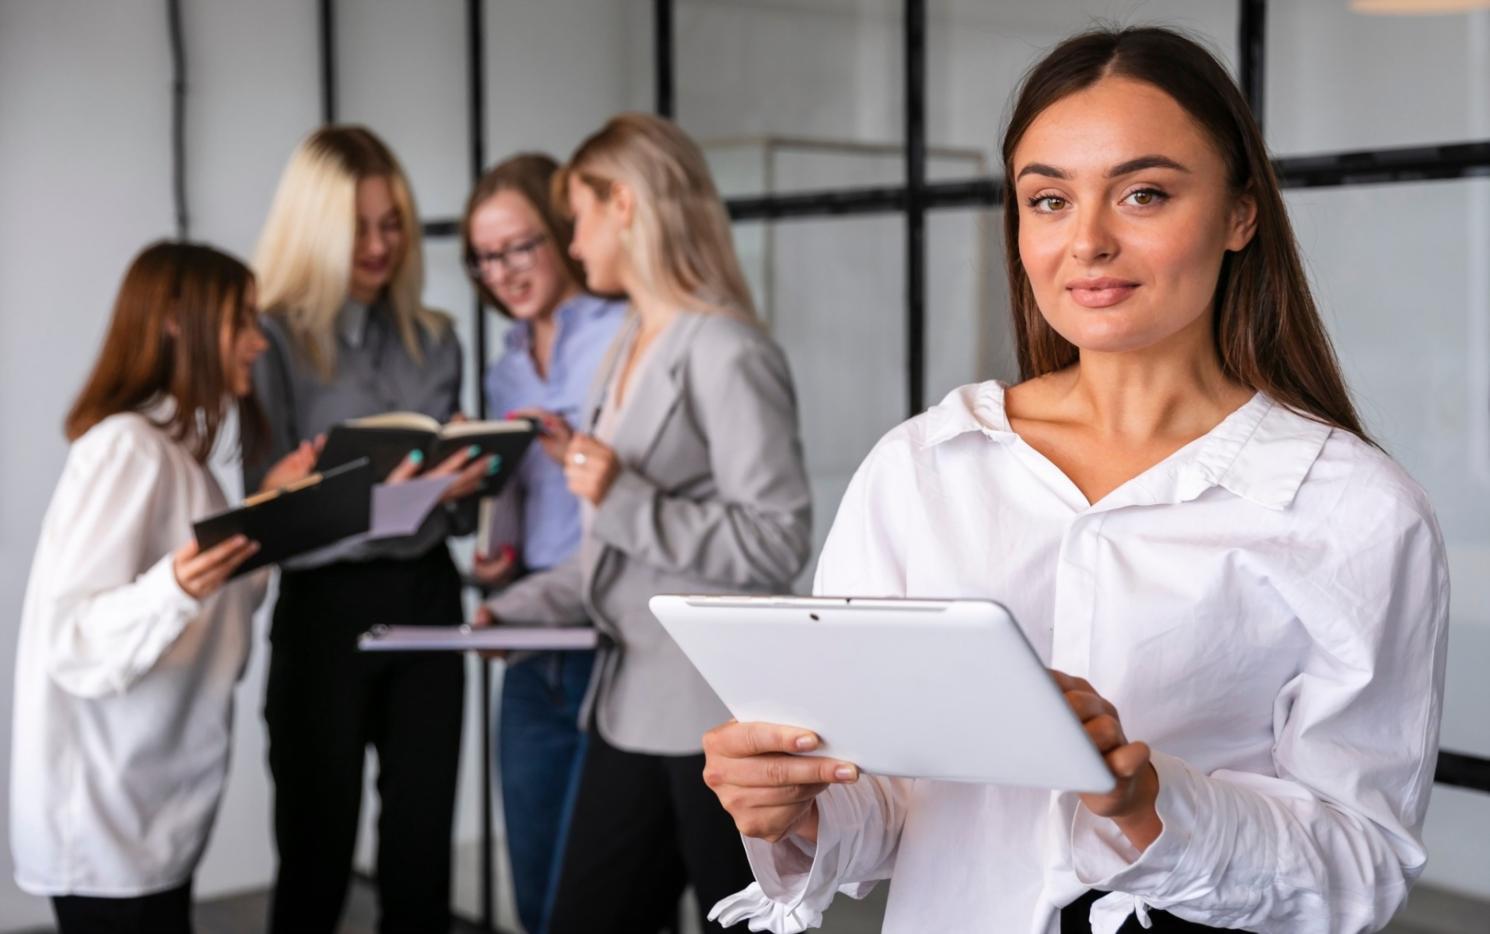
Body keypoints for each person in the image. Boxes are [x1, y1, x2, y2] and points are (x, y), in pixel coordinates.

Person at [701, 26, 1450, 934]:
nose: (1087, 242)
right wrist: (793, 802)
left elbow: (1360, 869)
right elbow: (890, 805)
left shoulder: (1355, 511)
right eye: (1048, 199)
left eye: (1143, 194)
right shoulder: (924, 469)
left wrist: (1145, 803)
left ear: (1241, 214)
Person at [478, 113, 813, 934]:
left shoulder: (726, 350)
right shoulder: (630, 339)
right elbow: (612, 554)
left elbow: (777, 540)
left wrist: (625, 498)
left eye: (578, 213)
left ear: (624, 205)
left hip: (712, 718)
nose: (573, 238)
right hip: (627, 705)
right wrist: (512, 612)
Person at [10, 241, 319, 934]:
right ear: (180, 321)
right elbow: (74, 641)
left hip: (150, 822)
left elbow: (224, 610)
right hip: (105, 828)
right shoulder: (126, 450)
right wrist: (172, 587)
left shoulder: (179, 462)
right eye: (241, 321)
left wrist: (271, 510)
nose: (257, 345)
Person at [247, 125, 493, 934]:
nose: (382, 244)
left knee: (420, 854)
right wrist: (387, 501)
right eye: (360, 225)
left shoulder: (436, 338)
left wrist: (463, 487)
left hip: (426, 595)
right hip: (324, 608)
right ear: (316, 227)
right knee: (314, 855)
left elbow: (456, 516)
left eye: (394, 224)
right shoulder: (269, 344)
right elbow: (264, 516)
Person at [460, 152, 626, 934]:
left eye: (520, 246)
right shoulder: (503, 371)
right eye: (487, 257)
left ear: (563, 233)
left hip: (616, 636)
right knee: (536, 890)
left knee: (609, 891)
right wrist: (495, 553)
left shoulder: (626, 336)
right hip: (530, 633)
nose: (505, 271)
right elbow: (517, 502)